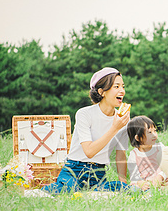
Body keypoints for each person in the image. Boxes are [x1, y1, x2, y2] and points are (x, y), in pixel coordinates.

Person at [25, 67, 132, 196]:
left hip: (98, 174)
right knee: (70, 191)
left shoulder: (122, 118)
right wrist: (115, 128)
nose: (122, 91)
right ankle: (33, 193)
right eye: (116, 86)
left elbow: (120, 155)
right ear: (101, 91)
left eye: (123, 86)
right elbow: (89, 151)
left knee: (121, 190)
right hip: (74, 170)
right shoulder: (84, 114)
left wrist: (123, 184)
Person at [127, 116, 168, 190]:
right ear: (138, 138)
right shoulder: (134, 155)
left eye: (154, 131)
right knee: (133, 188)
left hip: (162, 181)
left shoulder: (159, 147)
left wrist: (161, 176)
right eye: (149, 132)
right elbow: (134, 175)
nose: (154, 135)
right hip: (145, 184)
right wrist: (140, 182)